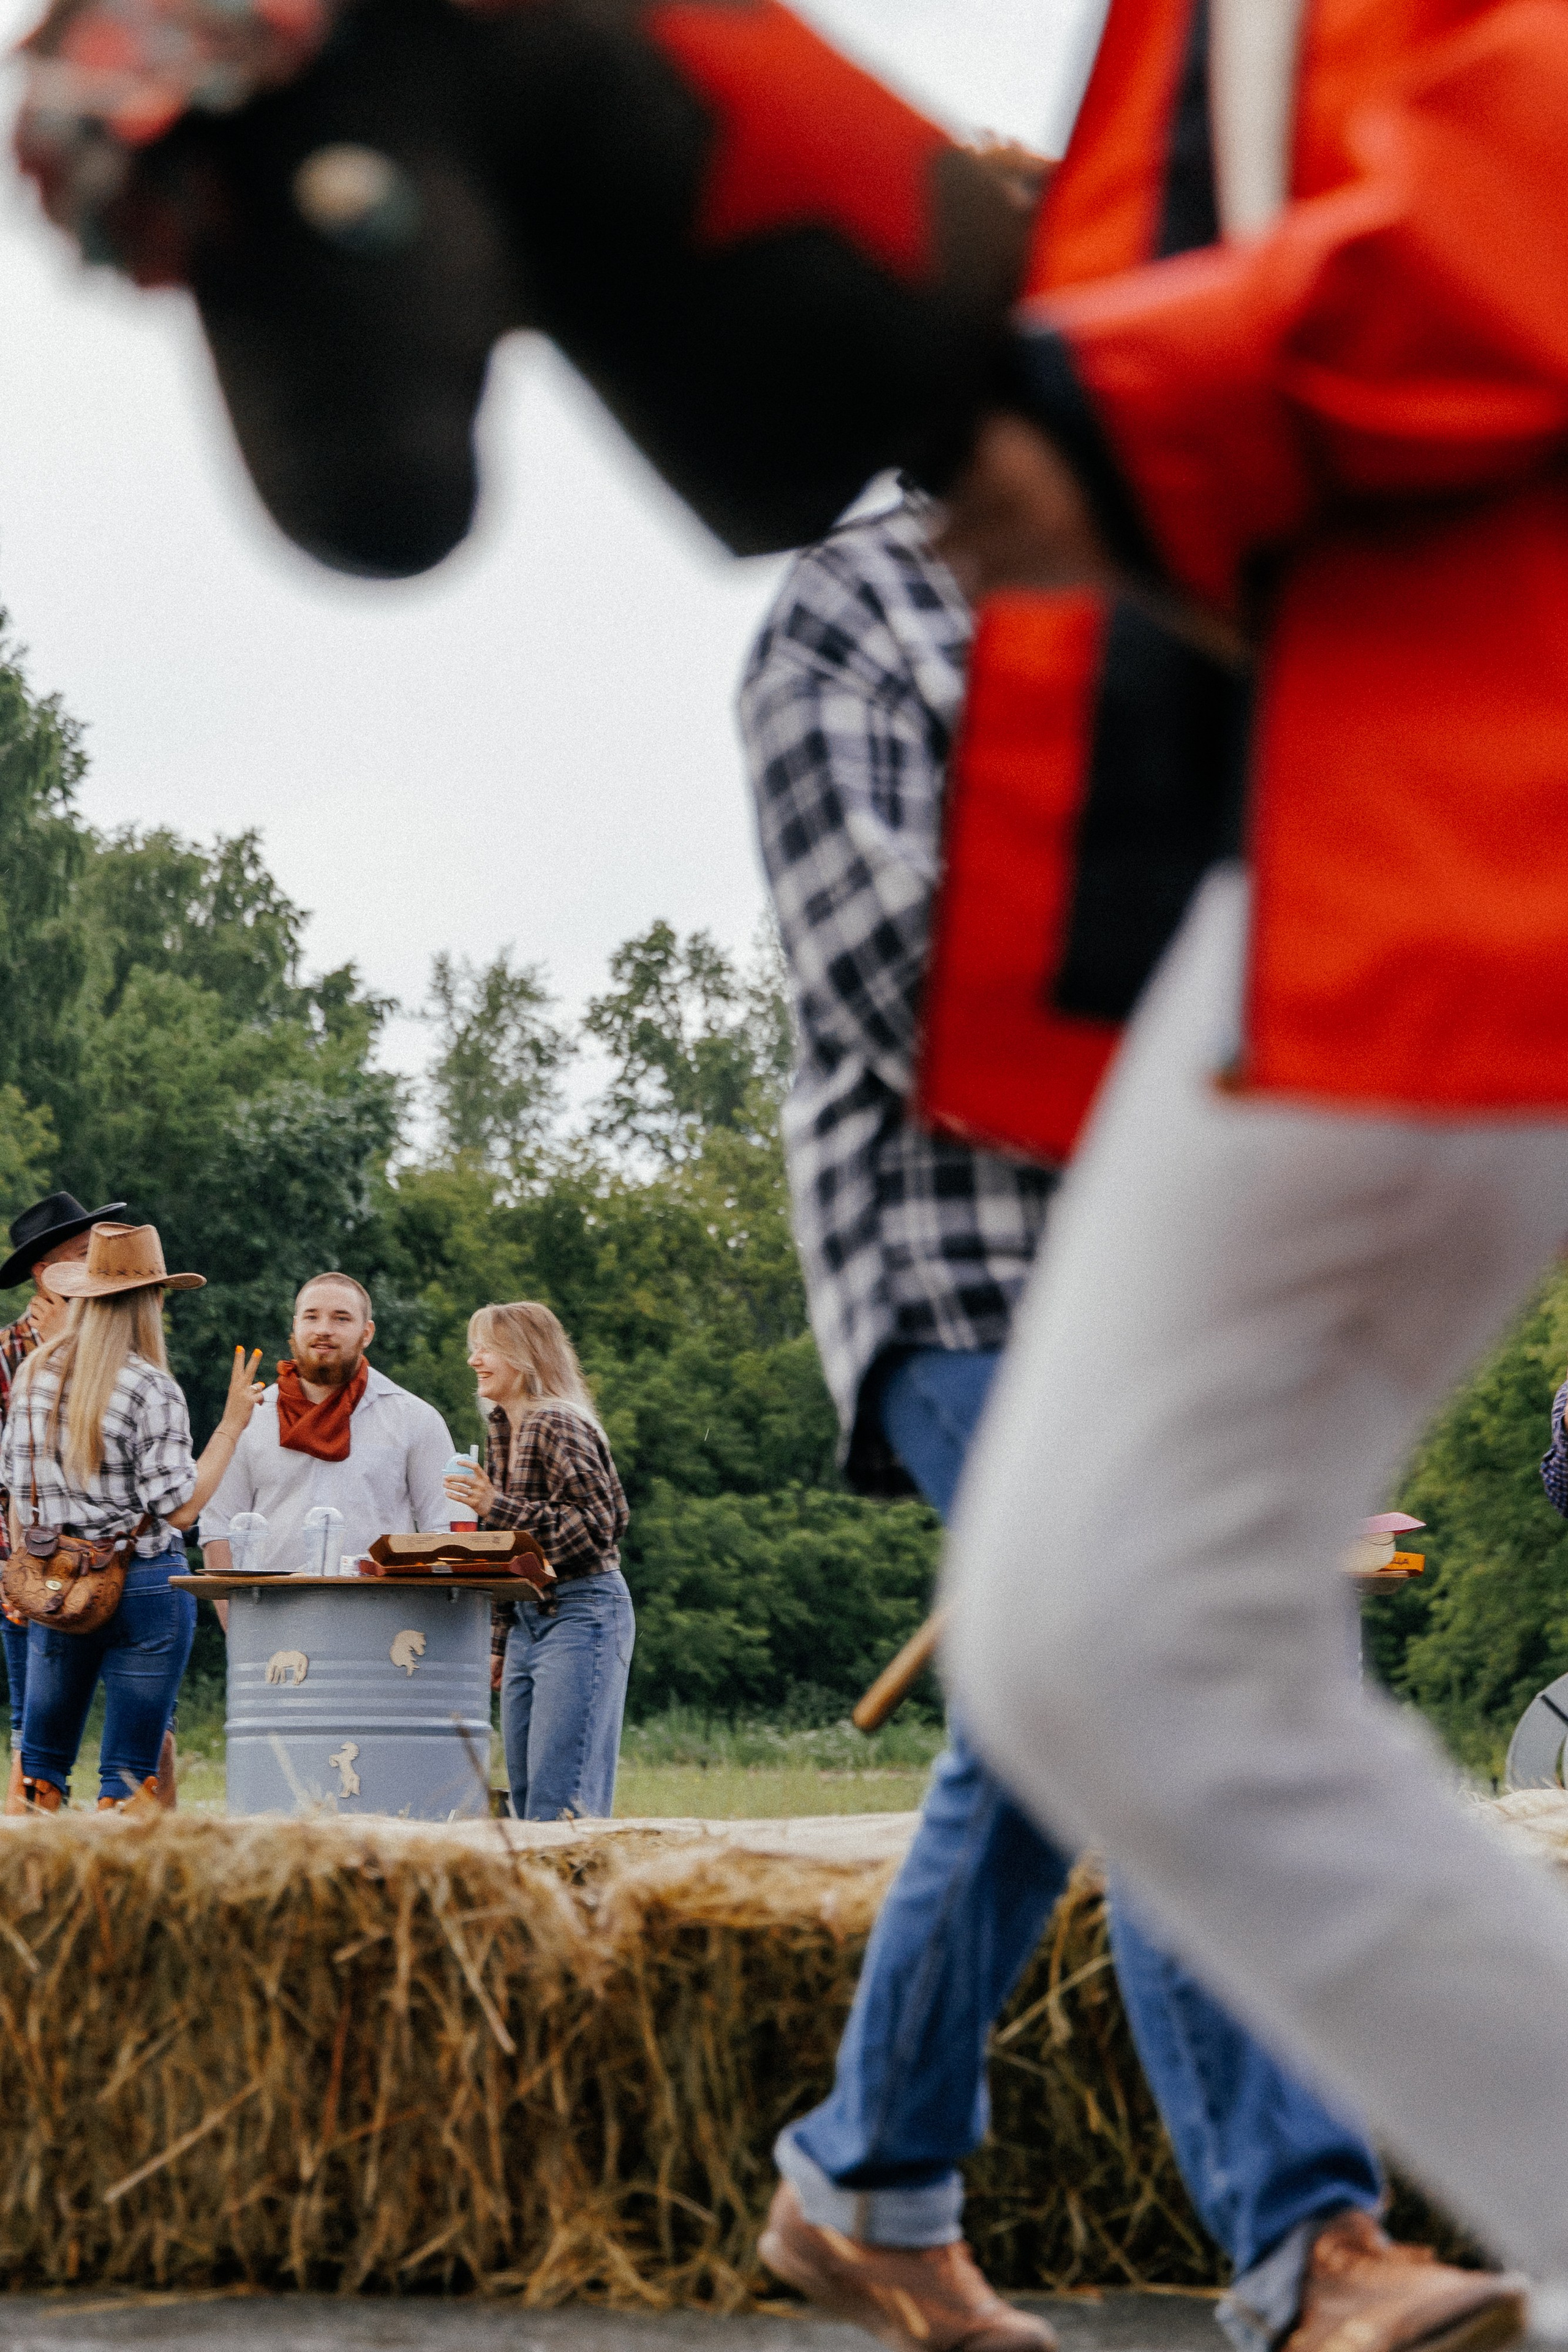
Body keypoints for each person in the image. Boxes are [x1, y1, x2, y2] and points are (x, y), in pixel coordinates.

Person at [739, 486, 1517, 2352]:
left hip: (1176, 1275)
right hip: (965, 1269)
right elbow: (895, 970)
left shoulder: (1171, 610)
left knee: (1039, 1735)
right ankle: (1308, 2236)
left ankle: (864, 2183)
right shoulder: (852, 614)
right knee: (1157, 1663)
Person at [0, 1222, 263, 1809]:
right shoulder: (151, 1388)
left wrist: (34, 1572)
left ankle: (30, 1869)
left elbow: (18, 1498)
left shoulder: (33, 1374)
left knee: (40, 1767)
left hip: (56, 1580)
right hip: (144, 1583)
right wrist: (231, 1425)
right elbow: (182, 1508)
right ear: (153, 1300)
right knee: (128, 1775)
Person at [443, 1303, 632, 1823]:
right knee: (527, 1799)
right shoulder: (503, 1429)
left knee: (560, 1801)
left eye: (486, 1349)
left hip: (582, 1612)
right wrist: (500, 1641)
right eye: (474, 1348)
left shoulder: (556, 1423)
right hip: (529, 1619)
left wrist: (494, 1505)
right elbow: (511, 1553)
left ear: (524, 1357)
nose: (474, 1361)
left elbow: (599, 1527)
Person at [199, 1271, 460, 1581]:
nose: (323, 1330)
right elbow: (218, 1527)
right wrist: (233, 1612)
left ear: (367, 1333)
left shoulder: (414, 1419)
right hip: (270, 1606)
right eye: (311, 1317)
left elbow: (444, 1530)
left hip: (381, 1605)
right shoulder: (250, 1416)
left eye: (341, 1319)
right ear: (295, 1327)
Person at [0, 1191, 126, 1809]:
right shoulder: (4, 1357)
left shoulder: (120, 1345)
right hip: (35, 1570)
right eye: (82, 1254)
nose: (96, 1265)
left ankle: (169, 1853)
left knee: (149, 1725)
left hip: (118, 1564)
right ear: (46, 1274)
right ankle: (25, 1858)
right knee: (35, 1733)